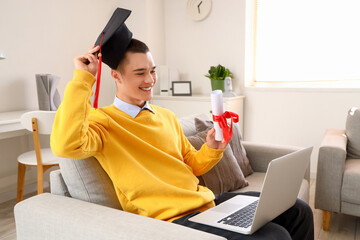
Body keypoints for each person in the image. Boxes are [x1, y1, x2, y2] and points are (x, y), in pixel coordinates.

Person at [51, 8, 314, 240]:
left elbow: (192, 164)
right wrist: (82, 80)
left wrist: (212, 147)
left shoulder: (165, 116)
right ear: (116, 76)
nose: (150, 80)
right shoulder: (103, 121)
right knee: (275, 235)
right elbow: (66, 145)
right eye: (140, 73)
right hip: (172, 222)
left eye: (152, 70)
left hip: (206, 205)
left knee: (297, 209)